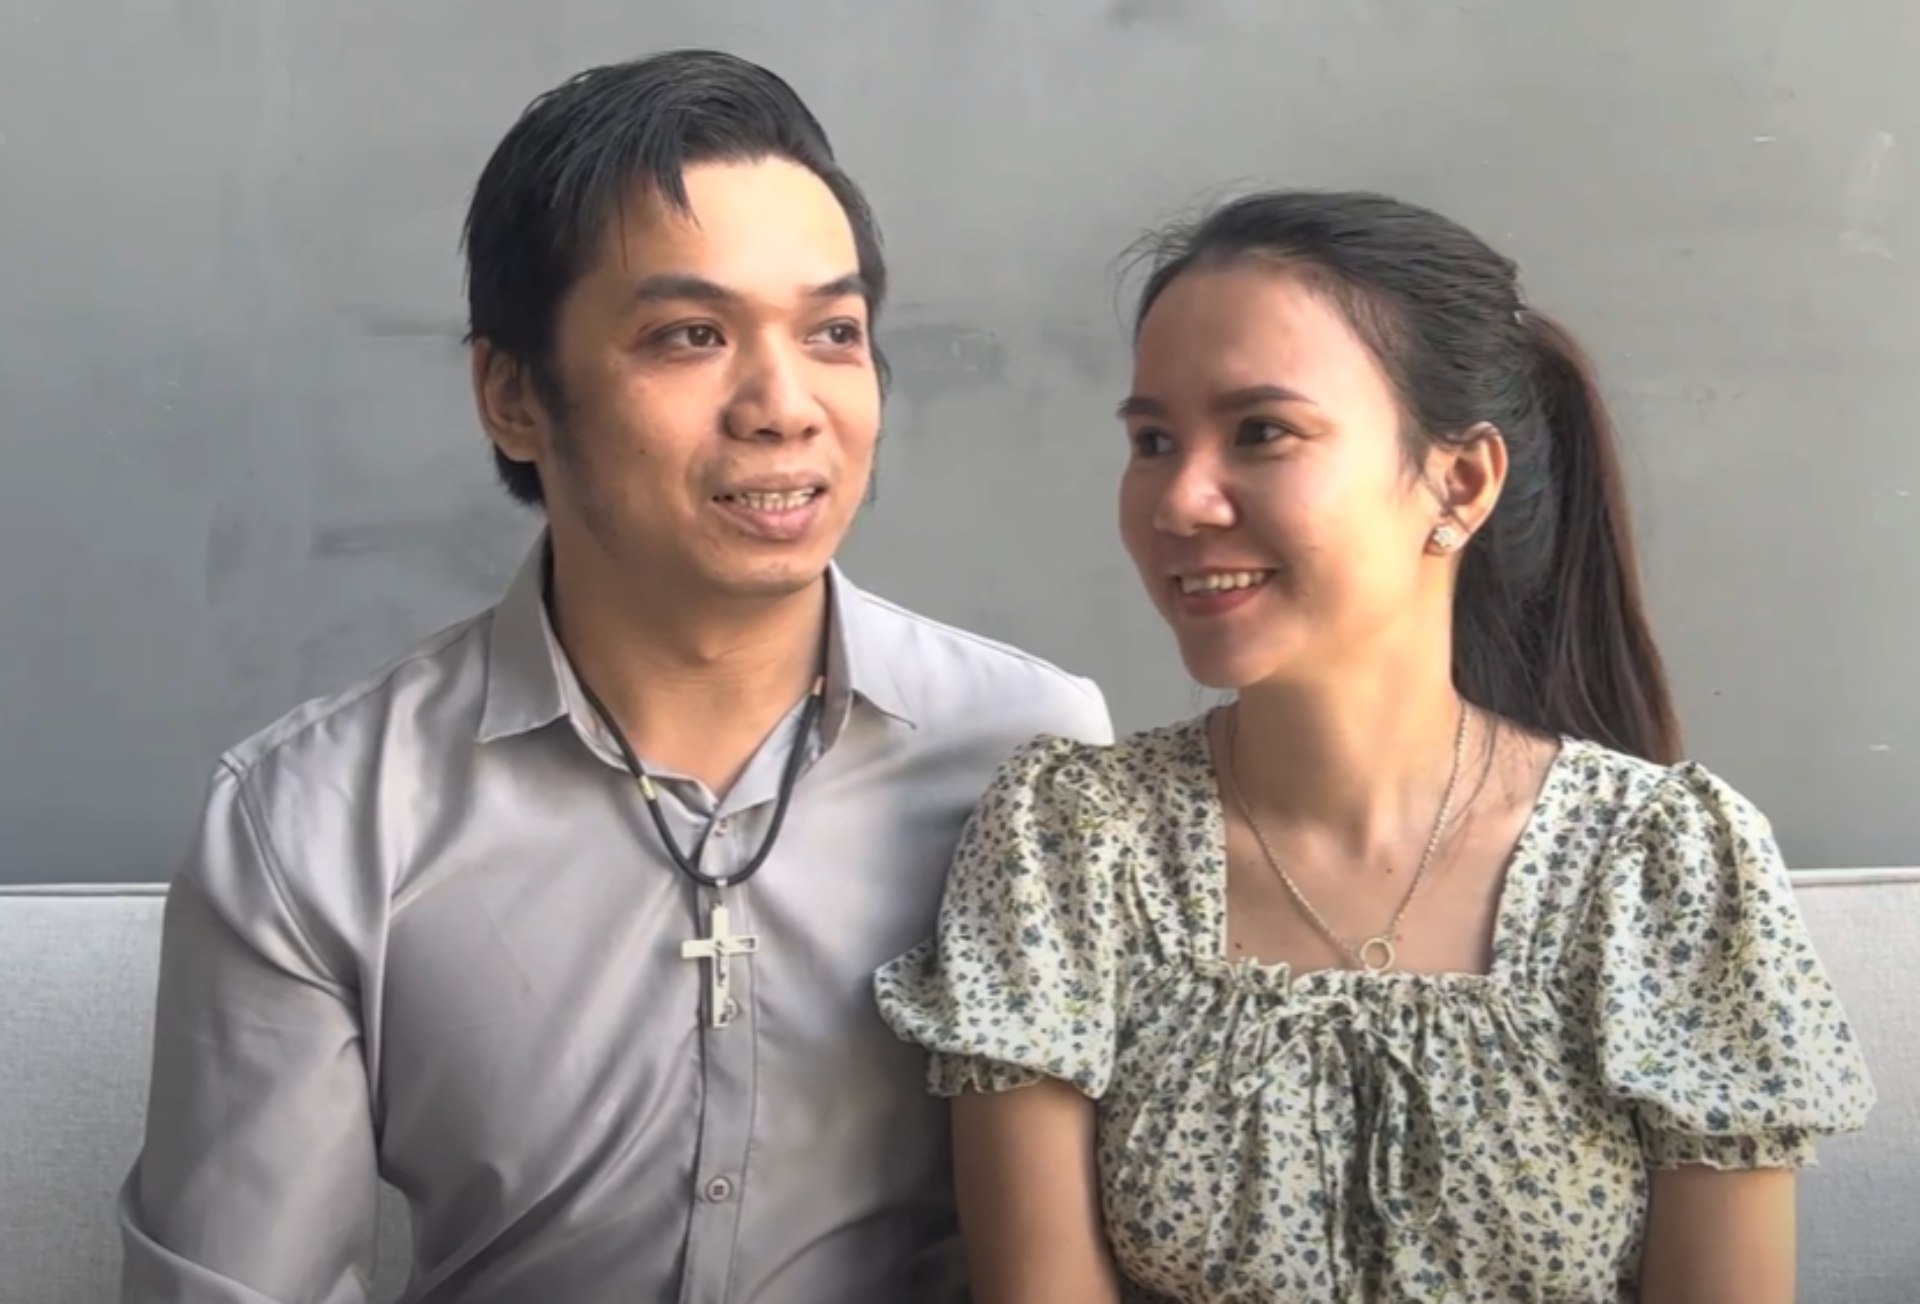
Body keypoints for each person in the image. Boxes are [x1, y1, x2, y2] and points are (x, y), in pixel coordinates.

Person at [117, 49, 1111, 1304]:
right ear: (513, 395)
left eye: (833, 332)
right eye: (691, 335)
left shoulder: (1032, 756)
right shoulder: (317, 818)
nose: (785, 405)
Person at [875, 188, 1874, 1303]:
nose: (1179, 501)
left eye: (1262, 431)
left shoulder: (1663, 862)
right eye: (1153, 440)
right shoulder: (1070, 843)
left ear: (1461, 481)